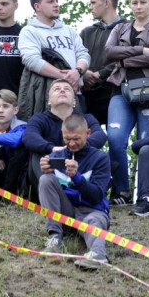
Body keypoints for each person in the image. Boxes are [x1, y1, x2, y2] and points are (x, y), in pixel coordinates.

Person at [103, 0, 149, 204]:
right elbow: (109, 52)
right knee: (114, 139)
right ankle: (121, 192)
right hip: (121, 89)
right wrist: (141, 51)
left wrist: (123, 59)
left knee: (146, 143)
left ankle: (146, 194)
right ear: (130, 5)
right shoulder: (120, 28)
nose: (139, 6)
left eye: (143, 2)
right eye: (135, 3)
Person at [39, 113, 112, 270]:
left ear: (88, 134)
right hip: (66, 214)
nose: (71, 143)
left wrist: (77, 178)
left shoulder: (100, 158)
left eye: (76, 139)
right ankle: (54, 237)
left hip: (92, 212)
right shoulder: (56, 157)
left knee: (94, 221)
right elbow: (48, 193)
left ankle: (98, 255)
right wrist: (45, 171)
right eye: (67, 139)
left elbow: (96, 197)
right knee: (45, 180)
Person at [21, 79, 107, 201]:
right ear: (49, 101)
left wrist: (76, 147)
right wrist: (54, 149)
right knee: (35, 152)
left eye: (67, 89)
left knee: (100, 155)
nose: (62, 90)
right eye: (57, 89)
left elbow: (100, 135)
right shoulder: (39, 118)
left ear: (74, 101)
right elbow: (29, 136)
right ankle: (47, 195)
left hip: (78, 168)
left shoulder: (86, 118)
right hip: (49, 169)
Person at [17, 0, 90, 120]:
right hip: (46, 97)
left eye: (56, 1)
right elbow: (32, 60)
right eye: (50, 2)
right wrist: (64, 78)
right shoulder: (29, 31)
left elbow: (83, 54)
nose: (56, 5)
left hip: (76, 95)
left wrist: (77, 71)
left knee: (77, 137)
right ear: (37, 6)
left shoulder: (69, 30)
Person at [79, 0, 127, 127]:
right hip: (88, 96)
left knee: (115, 140)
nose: (90, 7)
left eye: (93, 3)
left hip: (115, 94)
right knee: (87, 142)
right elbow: (77, 57)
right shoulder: (87, 32)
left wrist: (99, 74)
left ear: (107, 3)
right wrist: (84, 73)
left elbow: (127, 57)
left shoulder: (128, 28)